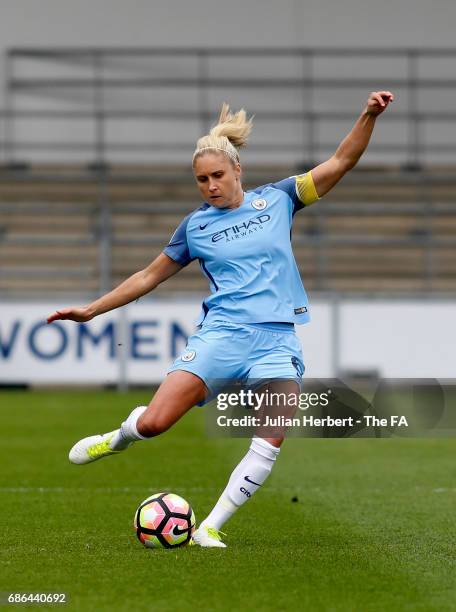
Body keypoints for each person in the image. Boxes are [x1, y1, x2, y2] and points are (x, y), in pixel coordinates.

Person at [47, 91, 394, 547]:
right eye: (201, 179)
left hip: (276, 341)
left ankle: (210, 526)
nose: (210, 186)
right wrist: (91, 309)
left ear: (237, 172)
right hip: (223, 336)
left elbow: (341, 161)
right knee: (155, 424)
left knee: (270, 438)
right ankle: (119, 437)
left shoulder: (280, 199)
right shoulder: (195, 227)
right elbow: (150, 275)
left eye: (217, 176)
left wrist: (368, 114)